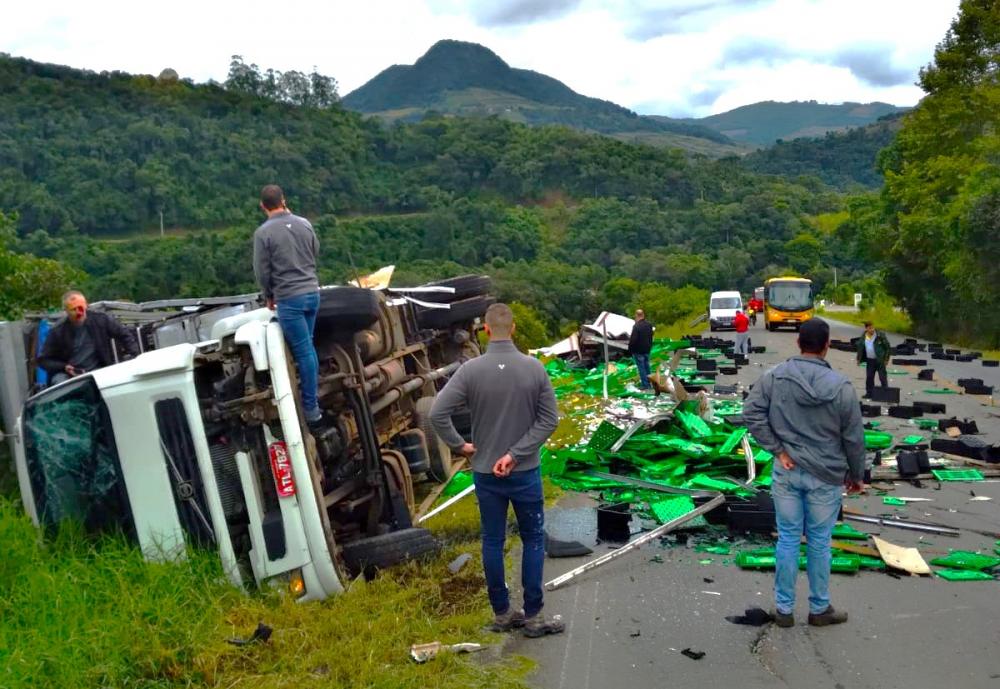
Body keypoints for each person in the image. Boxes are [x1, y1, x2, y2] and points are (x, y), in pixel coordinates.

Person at [429, 303, 563, 639]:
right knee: (533, 539)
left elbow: (436, 413)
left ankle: (502, 613)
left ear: (485, 330)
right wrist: (517, 454)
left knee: (492, 540)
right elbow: (549, 420)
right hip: (524, 471)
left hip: (486, 472)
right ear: (513, 329)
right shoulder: (534, 369)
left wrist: (460, 445)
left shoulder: (470, 371)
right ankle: (533, 617)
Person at [742, 318, 865, 628]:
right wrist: (857, 474)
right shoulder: (841, 387)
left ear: (798, 342)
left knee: (787, 539)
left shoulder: (774, 377)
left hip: (788, 469)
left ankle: (784, 610)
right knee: (820, 542)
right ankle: (819, 608)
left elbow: (751, 413)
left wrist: (777, 450)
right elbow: (853, 437)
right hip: (826, 475)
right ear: (826, 346)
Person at [252, 184, 323, 428]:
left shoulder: (263, 233)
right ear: (284, 200)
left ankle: (311, 409)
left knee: (303, 352)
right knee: (308, 349)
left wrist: (269, 295)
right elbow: (315, 251)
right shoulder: (304, 223)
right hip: (312, 293)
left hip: (289, 298)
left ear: (262, 206)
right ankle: (312, 395)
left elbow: (262, 271)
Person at [38, 290, 140, 385]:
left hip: (100, 371)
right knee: (59, 382)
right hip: (69, 376)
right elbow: (44, 360)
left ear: (86, 305)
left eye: (81, 307)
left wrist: (135, 358)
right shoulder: (57, 331)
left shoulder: (101, 320)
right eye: (74, 309)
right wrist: (64, 367)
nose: (79, 312)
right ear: (66, 311)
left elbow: (124, 335)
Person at [855, 321, 890, 399]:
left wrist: (886, 359)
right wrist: (858, 359)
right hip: (870, 360)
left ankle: (886, 394)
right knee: (869, 377)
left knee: (882, 377)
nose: (872, 329)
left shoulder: (880, 335)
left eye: (873, 327)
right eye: (870, 328)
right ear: (866, 328)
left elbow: (887, 347)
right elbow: (860, 347)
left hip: (879, 360)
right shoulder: (864, 336)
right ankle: (869, 393)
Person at [628, 309, 654, 390]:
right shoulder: (649, 325)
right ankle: (650, 383)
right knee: (647, 367)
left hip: (638, 350)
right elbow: (651, 336)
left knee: (641, 368)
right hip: (647, 349)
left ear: (636, 315)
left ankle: (645, 385)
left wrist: (630, 349)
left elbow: (633, 339)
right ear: (643, 315)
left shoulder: (636, 326)